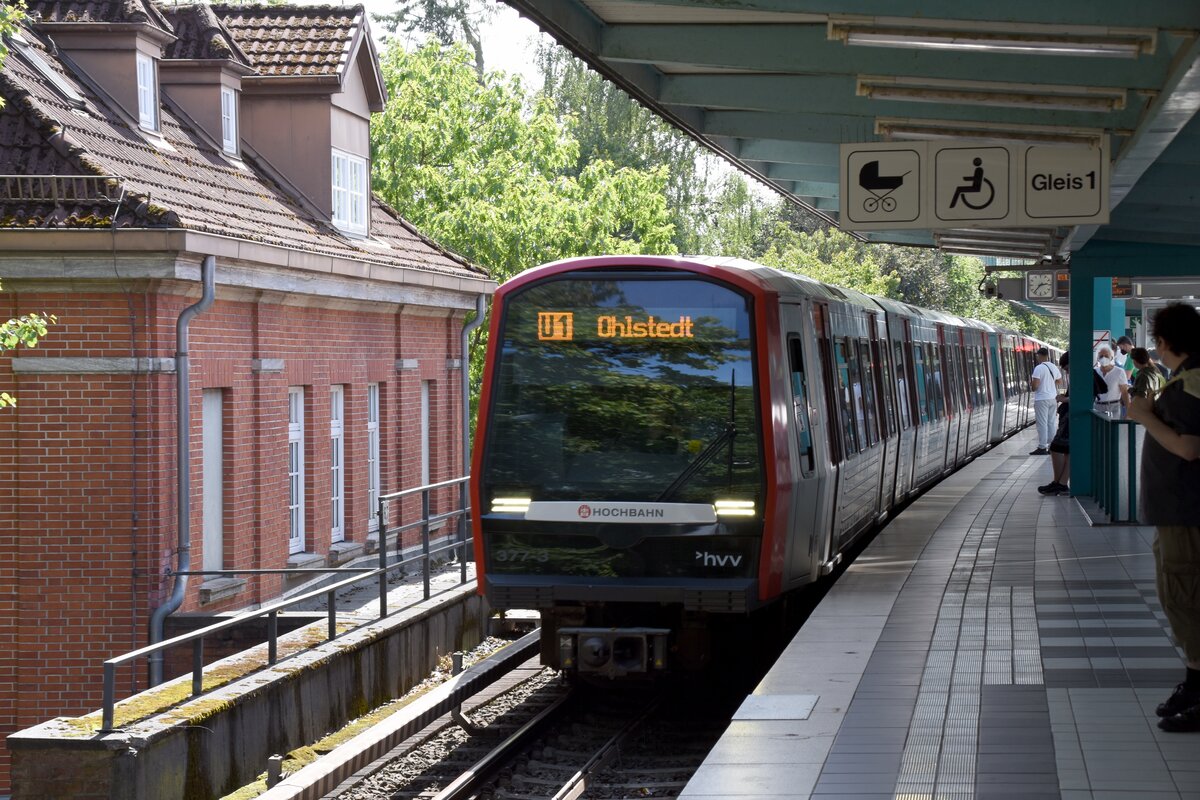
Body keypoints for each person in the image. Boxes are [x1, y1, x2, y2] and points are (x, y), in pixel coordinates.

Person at [1124, 303, 1200, 733]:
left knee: (1186, 597)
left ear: (1165, 342)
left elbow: (1189, 447)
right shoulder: (1185, 379)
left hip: (1188, 512)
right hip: (1181, 512)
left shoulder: (1191, 383)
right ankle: (1194, 684)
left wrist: (1143, 415)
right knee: (1183, 596)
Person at [1039, 352, 1071, 495]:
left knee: (1058, 448)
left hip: (1073, 418)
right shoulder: (1082, 375)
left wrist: (1064, 399)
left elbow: (1083, 396)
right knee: (1065, 451)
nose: (1066, 371)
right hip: (1070, 417)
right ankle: (1059, 483)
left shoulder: (1084, 375)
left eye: (1067, 368)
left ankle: (1060, 483)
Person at [1029, 347, 1061, 455]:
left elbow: (1035, 385)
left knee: (1042, 423)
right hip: (1052, 398)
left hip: (1041, 399)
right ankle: (1052, 446)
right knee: (1051, 422)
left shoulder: (1039, 368)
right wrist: (1050, 386)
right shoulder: (1054, 367)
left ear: (1040, 355)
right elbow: (1059, 381)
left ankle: (1042, 447)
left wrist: (1033, 387)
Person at [1093, 346, 1128, 417]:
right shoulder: (1095, 372)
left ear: (1111, 358)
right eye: (1101, 356)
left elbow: (1124, 393)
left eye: (1106, 356)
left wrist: (1128, 411)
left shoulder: (1119, 372)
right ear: (1098, 358)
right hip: (1097, 407)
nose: (1103, 358)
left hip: (1113, 407)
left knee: (1113, 428)